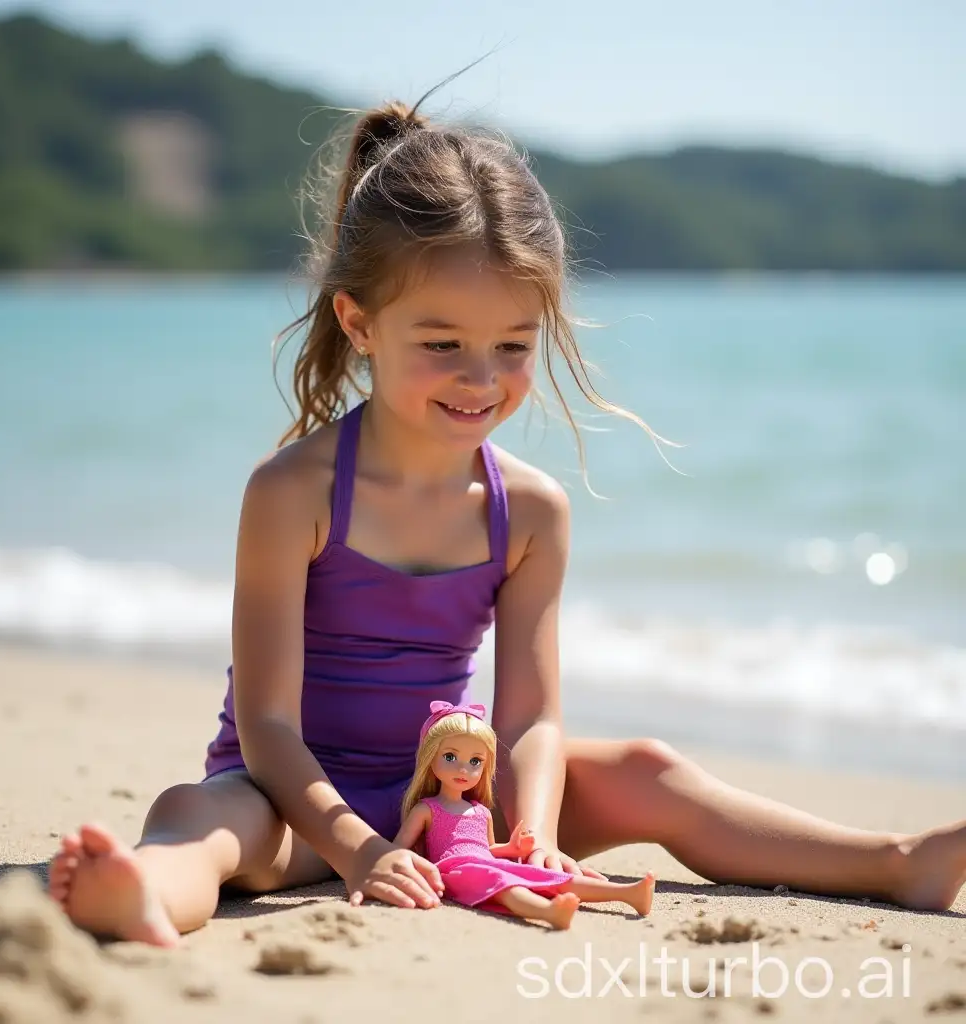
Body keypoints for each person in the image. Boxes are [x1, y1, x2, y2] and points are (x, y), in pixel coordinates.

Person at [48, 86, 966, 949]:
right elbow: (267, 727)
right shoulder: (292, 490)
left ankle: (896, 862)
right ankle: (141, 893)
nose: (480, 379)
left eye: (512, 347)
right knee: (201, 815)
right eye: (441, 343)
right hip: (294, 800)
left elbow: (530, 721)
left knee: (645, 768)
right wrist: (359, 848)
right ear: (359, 324)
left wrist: (525, 829)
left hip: (456, 800)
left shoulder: (528, 510)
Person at [392, 700, 655, 929]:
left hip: (485, 863)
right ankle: (547, 912)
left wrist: (512, 847)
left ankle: (628, 893)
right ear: (430, 757)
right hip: (455, 872)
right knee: (505, 884)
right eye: (450, 757)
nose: (463, 769)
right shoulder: (427, 809)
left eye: (475, 762)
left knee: (548, 878)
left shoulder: (481, 812)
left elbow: (489, 849)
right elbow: (399, 850)